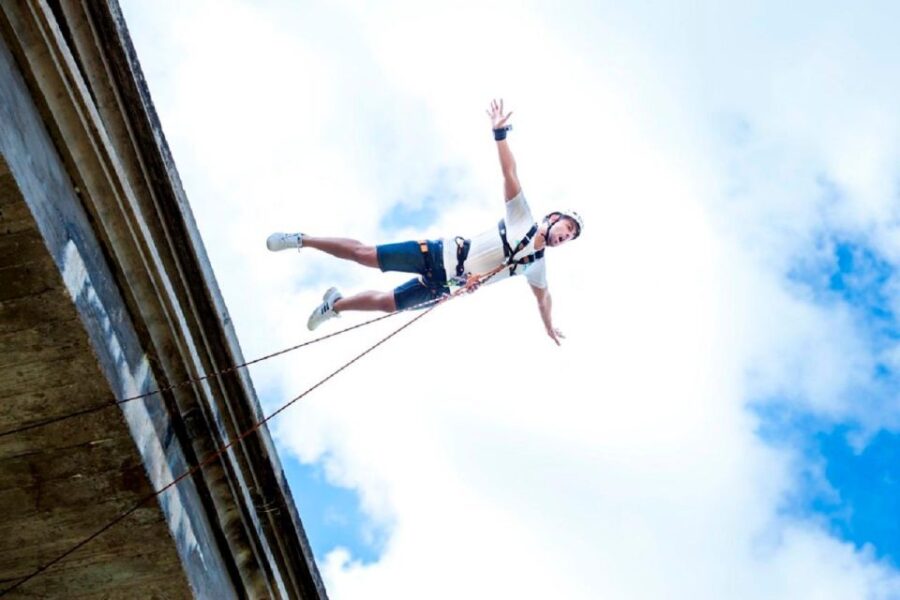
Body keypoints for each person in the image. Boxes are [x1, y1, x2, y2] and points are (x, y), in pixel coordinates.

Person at [266, 99, 583, 345]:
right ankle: (301, 239)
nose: (564, 236)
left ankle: (335, 304)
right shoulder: (522, 217)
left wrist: (549, 327)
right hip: (437, 254)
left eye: (569, 237)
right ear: (553, 219)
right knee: (364, 255)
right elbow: (509, 173)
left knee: (387, 305)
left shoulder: (536, 265)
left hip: (444, 286)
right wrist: (500, 136)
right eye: (566, 228)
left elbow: (544, 299)